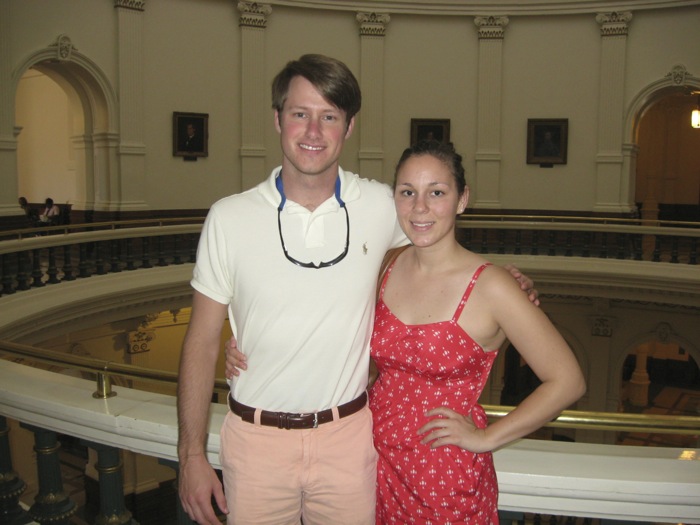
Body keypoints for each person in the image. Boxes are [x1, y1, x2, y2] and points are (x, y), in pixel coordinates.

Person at [177, 54, 537, 525]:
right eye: (299, 114)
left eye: (329, 116)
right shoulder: (229, 217)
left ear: (348, 128)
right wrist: (190, 457)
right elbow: (202, 341)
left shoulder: (383, 204)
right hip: (256, 440)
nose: (313, 131)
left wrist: (508, 284)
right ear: (277, 119)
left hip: (349, 441)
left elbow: (439, 233)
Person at [370, 140, 585, 522]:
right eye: (408, 193)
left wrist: (486, 438)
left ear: (462, 199)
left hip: (443, 476)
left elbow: (567, 381)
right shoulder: (387, 263)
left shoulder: (492, 286)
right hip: (371, 461)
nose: (420, 207)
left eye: (436, 192)